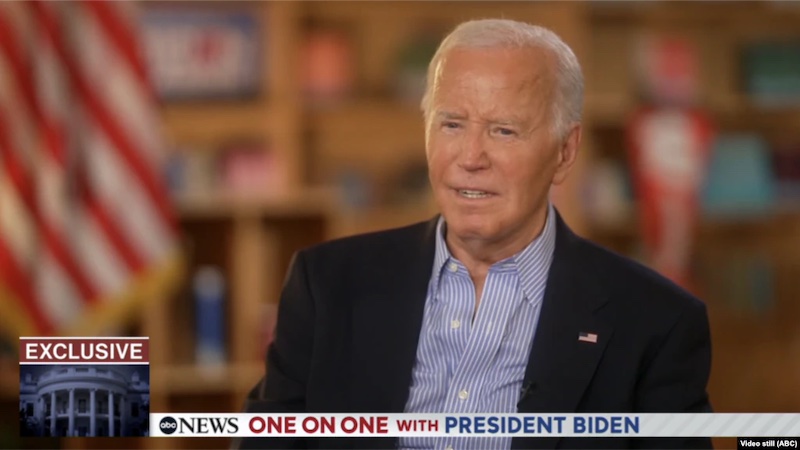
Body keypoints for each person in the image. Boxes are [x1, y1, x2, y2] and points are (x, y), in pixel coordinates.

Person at [235, 19, 712, 450]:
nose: (471, 157)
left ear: (565, 152)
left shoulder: (657, 323)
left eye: (504, 131)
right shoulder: (327, 285)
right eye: (452, 124)